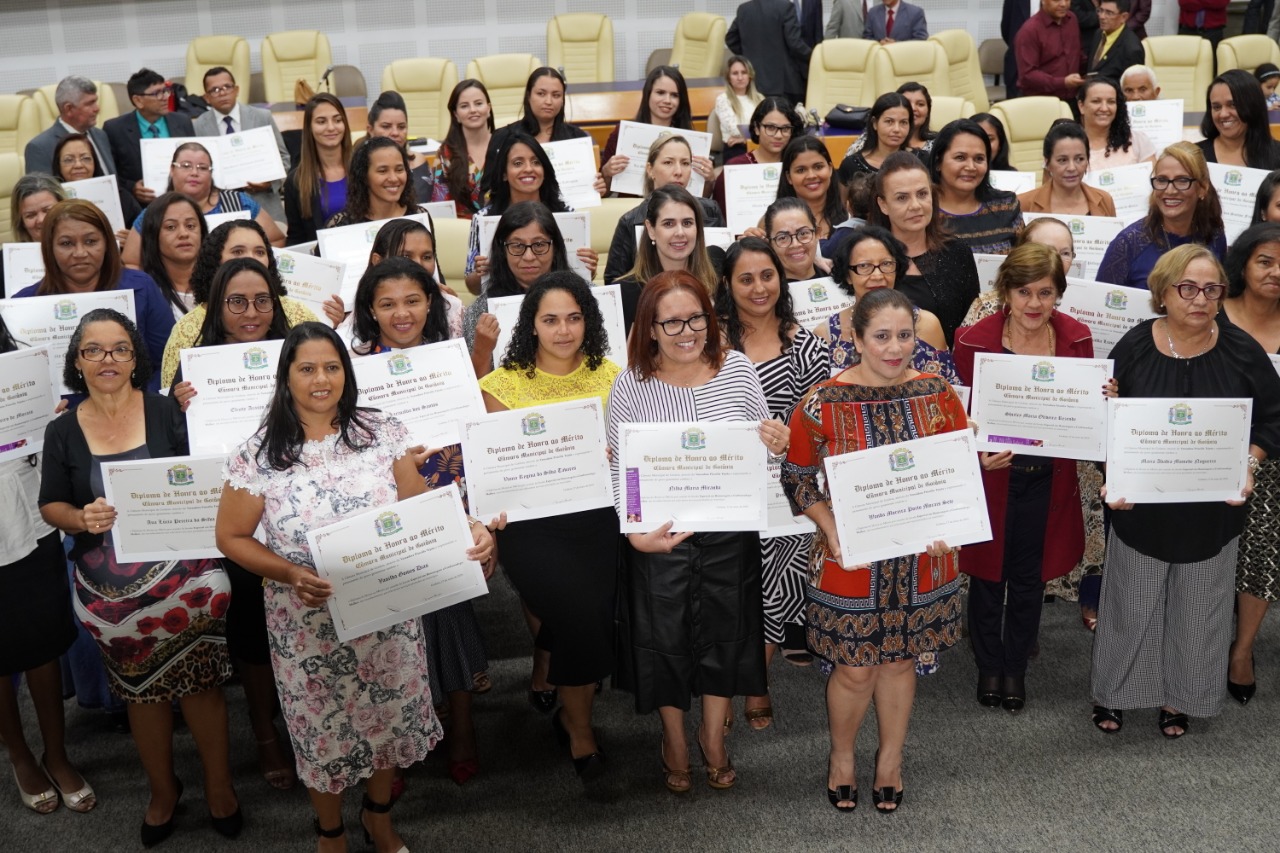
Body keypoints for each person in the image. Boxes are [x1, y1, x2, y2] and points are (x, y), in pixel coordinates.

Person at [216, 321, 495, 850]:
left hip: (388, 614)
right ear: (286, 378)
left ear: (347, 371)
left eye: (332, 366)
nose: (321, 379)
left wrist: (472, 528)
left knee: (388, 724)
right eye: (307, 369)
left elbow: (419, 508)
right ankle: (331, 832)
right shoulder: (257, 455)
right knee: (323, 731)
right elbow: (230, 536)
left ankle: (378, 817)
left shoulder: (381, 431)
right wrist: (290, 573)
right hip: (306, 623)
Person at [40, 309, 240, 845]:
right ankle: (162, 789)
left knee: (202, 685)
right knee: (140, 694)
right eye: (94, 351)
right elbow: (51, 505)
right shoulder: (61, 429)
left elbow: (205, 480)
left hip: (187, 577)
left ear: (136, 357)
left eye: (120, 349)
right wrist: (80, 518)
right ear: (77, 361)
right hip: (110, 589)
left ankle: (220, 787)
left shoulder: (165, 412)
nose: (108, 360)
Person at [782, 287, 967, 812]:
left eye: (904, 335)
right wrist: (829, 525)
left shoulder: (938, 393)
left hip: (924, 556)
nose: (894, 348)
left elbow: (957, 472)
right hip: (851, 556)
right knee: (854, 667)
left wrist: (950, 523)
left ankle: (890, 759)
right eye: (881, 336)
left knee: (902, 661)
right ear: (857, 339)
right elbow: (797, 476)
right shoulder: (821, 402)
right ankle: (842, 757)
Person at [1090, 244, 1280, 738]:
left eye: (1211, 289)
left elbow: (1273, 420)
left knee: (1200, 609)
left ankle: (1181, 698)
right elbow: (1106, 424)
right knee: (1132, 604)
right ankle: (1117, 694)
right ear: (1163, 292)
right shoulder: (1133, 346)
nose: (1200, 299)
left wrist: (1249, 463)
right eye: (1188, 288)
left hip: (1213, 506)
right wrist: (1113, 475)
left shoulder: (1242, 351)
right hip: (1142, 506)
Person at [607, 270, 777, 794]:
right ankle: (674, 737)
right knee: (665, 642)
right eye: (672, 322)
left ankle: (712, 736)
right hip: (660, 538)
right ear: (650, 329)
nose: (687, 331)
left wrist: (777, 443)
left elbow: (764, 458)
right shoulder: (631, 384)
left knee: (728, 635)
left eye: (696, 318)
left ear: (711, 317)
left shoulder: (739, 371)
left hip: (729, 536)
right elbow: (622, 471)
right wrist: (635, 534)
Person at [349, 257, 490, 786]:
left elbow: (478, 434)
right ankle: (398, 737)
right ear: (370, 310)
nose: (401, 313)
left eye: (412, 300)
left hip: (450, 489)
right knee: (393, 624)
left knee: (449, 612)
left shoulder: (449, 360)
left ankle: (461, 724)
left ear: (430, 303)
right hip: (383, 504)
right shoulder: (353, 369)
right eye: (387, 304)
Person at [479, 271, 621, 780]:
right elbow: (491, 469)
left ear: (590, 321)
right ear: (531, 325)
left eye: (575, 318)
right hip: (531, 525)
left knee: (589, 614)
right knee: (578, 613)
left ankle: (561, 686)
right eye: (551, 319)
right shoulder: (501, 385)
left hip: (598, 517)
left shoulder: (615, 377)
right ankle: (578, 727)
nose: (564, 330)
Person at [166, 258, 297, 791]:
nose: (250, 312)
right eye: (236, 302)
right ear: (217, 308)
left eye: (262, 300)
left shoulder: (298, 354)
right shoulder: (195, 372)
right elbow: (178, 452)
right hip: (235, 515)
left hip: (297, 506)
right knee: (251, 615)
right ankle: (265, 730)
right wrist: (176, 410)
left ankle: (306, 709)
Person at [953, 243, 1098, 713]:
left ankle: (1015, 666)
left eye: (1046, 292)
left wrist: (1102, 396)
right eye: (1023, 292)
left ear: (1059, 293)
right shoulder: (973, 341)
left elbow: (1084, 413)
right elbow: (953, 419)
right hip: (993, 478)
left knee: (1029, 578)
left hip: (1048, 479)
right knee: (988, 574)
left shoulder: (1077, 338)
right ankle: (988, 665)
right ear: (1005, 292)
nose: (1034, 304)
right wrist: (975, 456)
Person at [714, 238, 828, 727]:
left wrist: (791, 439)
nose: (758, 287)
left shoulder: (806, 346)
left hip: (785, 487)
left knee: (779, 570)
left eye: (767, 276)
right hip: (720, 483)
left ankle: (756, 680)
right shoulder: (709, 341)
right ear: (727, 284)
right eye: (745, 278)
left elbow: (821, 428)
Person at [0, 312, 95, 817]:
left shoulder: (15, 364)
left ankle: (56, 753)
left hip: (25, 517)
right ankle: (19, 754)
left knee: (42, 637)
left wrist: (43, 418)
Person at [15, 200, 174, 391]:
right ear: (50, 249)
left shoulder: (141, 288)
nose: (80, 253)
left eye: (91, 241)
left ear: (107, 243)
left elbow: (168, 361)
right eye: (66, 243)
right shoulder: (22, 306)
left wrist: (140, 401)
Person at [1222, 223, 1280, 706]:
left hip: (1271, 452)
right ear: (1242, 263)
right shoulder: (1211, 311)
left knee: (1263, 535)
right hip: (1205, 446)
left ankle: (1242, 649)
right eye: (1265, 260)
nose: (1276, 272)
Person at [159, 219, 321, 387]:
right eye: (238, 252)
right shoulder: (186, 331)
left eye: (259, 252)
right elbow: (168, 398)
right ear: (215, 261)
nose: (251, 259)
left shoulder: (298, 314)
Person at [818, 224, 959, 385]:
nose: (878, 275)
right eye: (864, 266)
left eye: (886, 264)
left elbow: (950, 393)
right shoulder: (826, 334)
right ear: (847, 275)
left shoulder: (926, 324)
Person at [464, 131, 597, 295]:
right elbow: (473, 288)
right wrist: (480, 273)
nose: (528, 169)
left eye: (536, 162)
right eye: (518, 163)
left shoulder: (568, 213)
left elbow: (581, 278)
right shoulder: (484, 218)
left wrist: (589, 267)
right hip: (504, 302)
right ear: (504, 173)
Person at [869, 151, 981, 344]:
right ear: (883, 204)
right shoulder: (867, 258)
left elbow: (970, 329)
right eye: (902, 198)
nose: (915, 205)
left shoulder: (957, 252)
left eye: (922, 194)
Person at [120, 141, 285, 265]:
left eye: (202, 167)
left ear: (211, 173)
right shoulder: (155, 212)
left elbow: (277, 241)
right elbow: (130, 262)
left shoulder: (238, 202)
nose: (194, 173)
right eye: (186, 166)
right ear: (172, 169)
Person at [463, 201, 581, 375]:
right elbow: (475, 389)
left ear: (554, 247)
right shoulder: (481, 312)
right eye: (517, 246)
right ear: (502, 250)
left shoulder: (586, 297)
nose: (528, 256)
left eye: (539, 245)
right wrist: (483, 351)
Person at [1097, 142, 1226, 290]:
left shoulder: (1214, 236)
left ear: (1202, 188)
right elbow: (1101, 306)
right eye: (1162, 180)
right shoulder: (1128, 243)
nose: (1170, 191)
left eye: (1182, 180)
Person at [605, 134, 727, 285]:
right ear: (650, 170)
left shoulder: (711, 210)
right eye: (668, 162)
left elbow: (727, 272)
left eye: (685, 163)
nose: (678, 171)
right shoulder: (630, 221)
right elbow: (614, 283)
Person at [615, 184, 720, 331]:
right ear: (651, 229)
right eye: (669, 224)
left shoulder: (717, 278)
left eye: (687, 223)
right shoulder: (627, 292)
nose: (680, 232)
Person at [193, 66, 290, 224]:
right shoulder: (198, 126)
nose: (223, 93)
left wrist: (270, 183)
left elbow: (284, 157)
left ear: (236, 89)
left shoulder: (261, 117)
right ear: (207, 97)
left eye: (227, 87)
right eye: (215, 90)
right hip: (221, 209)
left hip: (265, 206)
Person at [599, 67, 712, 196]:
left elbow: (702, 198)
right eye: (660, 92)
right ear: (648, 94)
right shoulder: (622, 134)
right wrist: (606, 173)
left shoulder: (691, 139)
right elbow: (603, 194)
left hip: (676, 211)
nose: (667, 100)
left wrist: (709, 180)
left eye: (674, 95)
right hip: (632, 210)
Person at [102, 68, 196, 207]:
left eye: (165, 90)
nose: (165, 97)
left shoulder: (182, 122)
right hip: (141, 206)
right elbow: (110, 174)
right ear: (138, 100)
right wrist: (133, 187)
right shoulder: (115, 129)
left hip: (184, 200)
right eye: (157, 93)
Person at [930, 119, 1024, 255]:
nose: (971, 167)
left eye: (979, 159)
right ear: (938, 161)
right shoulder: (923, 210)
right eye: (960, 157)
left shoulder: (1006, 206)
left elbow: (1027, 262)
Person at [712, 96, 801, 217]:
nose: (779, 135)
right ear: (756, 128)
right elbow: (721, 215)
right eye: (770, 128)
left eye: (785, 129)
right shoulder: (735, 168)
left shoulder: (797, 166)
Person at [283, 93, 353, 246]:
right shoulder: (296, 181)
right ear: (309, 128)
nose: (331, 127)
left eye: (338, 120)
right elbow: (297, 237)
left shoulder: (363, 168)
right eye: (321, 122)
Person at [323, 136, 429, 230]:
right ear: (364, 176)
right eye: (382, 171)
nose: (393, 178)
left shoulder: (419, 217)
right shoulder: (340, 225)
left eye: (399, 169)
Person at [488, 67, 590, 162]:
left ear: (562, 100)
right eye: (541, 94)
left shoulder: (577, 138)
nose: (549, 101)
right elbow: (490, 181)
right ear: (528, 96)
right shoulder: (502, 137)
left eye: (556, 95)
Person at [51, 132, 141, 239]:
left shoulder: (120, 196)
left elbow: (145, 234)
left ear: (95, 162)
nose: (78, 165)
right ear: (58, 166)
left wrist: (132, 241)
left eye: (85, 158)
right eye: (69, 160)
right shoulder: (51, 200)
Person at [24, 76, 116, 180]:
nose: (97, 108)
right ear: (69, 109)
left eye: (95, 101)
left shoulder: (101, 135)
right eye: (90, 103)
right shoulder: (40, 148)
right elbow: (41, 194)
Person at [1018, 121, 1118, 216]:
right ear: (1047, 163)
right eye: (1062, 160)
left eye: (1079, 159)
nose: (1072, 168)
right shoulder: (1023, 204)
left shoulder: (1105, 200)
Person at [726, 0, 812, 105]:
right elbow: (794, 43)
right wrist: (814, 56)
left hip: (754, 81)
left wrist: (749, 56)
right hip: (784, 85)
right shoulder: (786, 7)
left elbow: (730, 39)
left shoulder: (744, 9)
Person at [137, 191, 207, 318]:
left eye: (190, 226)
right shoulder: (144, 292)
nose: (183, 234)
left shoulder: (223, 284)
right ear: (153, 235)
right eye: (171, 227)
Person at [432, 80, 494, 219]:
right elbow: (441, 207)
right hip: (461, 232)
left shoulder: (505, 145)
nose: (473, 110)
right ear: (456, 114)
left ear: (488, 108)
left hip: (503, 228)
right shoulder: (446, 154)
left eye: (478, 103)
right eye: (464, 106)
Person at [775, 135, 847, 256]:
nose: (811, 175)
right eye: (801, 170)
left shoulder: (850, 217)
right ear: (788, 177)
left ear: (830, 169)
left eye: (818, 167)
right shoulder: (773, 221)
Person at [1198, 69, 1280, 170]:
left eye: (1233, 105)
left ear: (1254, 106)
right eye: (1217, 107)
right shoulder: (1193, 157)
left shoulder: (1277, 155)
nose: (1223, 114)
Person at [363, 90, 434, 201]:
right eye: (386, 126)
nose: (395, 133)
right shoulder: (359, 165)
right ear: (370, 130)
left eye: (401, 127)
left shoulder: (417, 161)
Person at [1077, 76, 1157, 170]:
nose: (1104, 108)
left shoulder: (1137, 140)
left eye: (1111, 102)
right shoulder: (1068, 145)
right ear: (1081, 106)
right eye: (1096, 101)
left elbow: (1154, 179)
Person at [1014, 0, 1085, 102]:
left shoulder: (1072, 19)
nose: (1063, 4)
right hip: (1040, 101)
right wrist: (1063, 82)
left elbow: (1078, 54)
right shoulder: (1029, 31)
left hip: (1072, 98)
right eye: (1056, 0)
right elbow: (1027, 75)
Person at [839, 93, 914, 177]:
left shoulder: (920, 160)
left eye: (903, 122)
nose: (897, 129)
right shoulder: (852, 165)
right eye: (889, 121)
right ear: (875, 123)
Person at [763, 196, 831, 284]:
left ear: (817, 233)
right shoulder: (766, 293)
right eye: (783, 237)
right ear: (770, 244)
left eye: (803, 233)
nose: (795, 244)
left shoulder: (838, 282)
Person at [714, 55, 764, 163]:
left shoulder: (760, 98)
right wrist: (756, 134)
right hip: (736, 150)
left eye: (744, 72)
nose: (740, 77)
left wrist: (744, 139)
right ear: (728, 77)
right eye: (735, 73)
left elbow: (768, 127)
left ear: (750, 75)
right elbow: (734, 130)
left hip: (760, 147)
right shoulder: (723, 100)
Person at [1087, 0, 1145, 82]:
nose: (1102, 16)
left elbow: (1132, 86)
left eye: (1109, 13)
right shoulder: (1099, 33)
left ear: (1124, 17)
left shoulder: (1132, 49)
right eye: (1100, 10)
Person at [9, 173, 66, 244]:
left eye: (47, 210)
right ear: (22, 223)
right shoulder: (8, 254)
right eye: (31, 215)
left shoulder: (81, 248)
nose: (41, 220)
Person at [864, 0, 928, 42]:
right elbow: (867, 37)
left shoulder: (915, 13)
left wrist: (896, 45)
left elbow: (920, 41)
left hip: (904, 59)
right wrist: (879, 43)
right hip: (880, 60)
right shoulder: (873, 12)